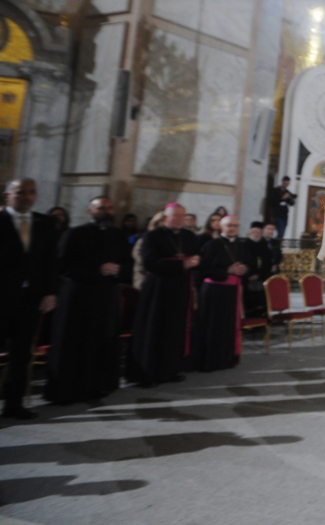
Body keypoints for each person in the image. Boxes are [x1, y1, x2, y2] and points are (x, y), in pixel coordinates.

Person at [45, 196, 127, 404]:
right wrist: (97, 269)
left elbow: (128, 262)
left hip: (106, 296)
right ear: (90, 211)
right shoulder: (75, 233)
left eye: (110, 208)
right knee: (74, 341)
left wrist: (118, 270)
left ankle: (96, 386)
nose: (107, 211)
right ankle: (66, 390)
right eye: (101, 208)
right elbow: (63, 265)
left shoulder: (118, 234)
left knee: (100, 341)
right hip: (78, 297)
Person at [0, 179, 58, 419]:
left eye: (31, 192)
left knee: (22, 354)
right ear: (7, 195)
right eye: (20, 192)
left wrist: (50, 292)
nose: (26, 196)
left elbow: (51, 261)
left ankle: (14, 405)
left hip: (30, 300)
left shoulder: (45, 223)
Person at [129, 203, 200, 386]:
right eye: (175, 216)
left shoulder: (189, 236)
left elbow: (196, 256)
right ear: (164, 218)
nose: (179, 219)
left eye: (182, 216)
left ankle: (170, 370)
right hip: (158, 290)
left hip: (181, 288)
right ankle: (148, 373)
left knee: (175, 330)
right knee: (154, 329)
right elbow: (149, 263)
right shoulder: (151, 236)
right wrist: (181, 265)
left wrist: (196, 260)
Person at [190, 216, 253, 372]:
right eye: (229, 225)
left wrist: (245, 269)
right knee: (212, 326)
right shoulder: (211, 245)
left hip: (233, 291)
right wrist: (227, 270)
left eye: (236, 226)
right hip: (214, 292)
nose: (233, 228)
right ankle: (209, 361)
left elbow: (251, 264)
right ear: (221, 227)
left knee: (229, 326)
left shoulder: (241, 245)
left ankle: (227, 358)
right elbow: (202, 269)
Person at [244, 221, 273, 317]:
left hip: (261, 277)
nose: (256, 233)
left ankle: (261, 323)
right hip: (247, 278)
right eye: (254, 231)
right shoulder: (244, 245)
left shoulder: (264, 246)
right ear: (250, 232)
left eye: (258, 232)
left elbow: (267, 262)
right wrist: (249, 274)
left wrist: (259, 274)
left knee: (261, 301)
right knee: (248, 302)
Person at [132, 212, 164, 290]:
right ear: (156, 223)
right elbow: (139, 258)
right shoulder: (145, 239)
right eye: (162, 221)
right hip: (145, 276)